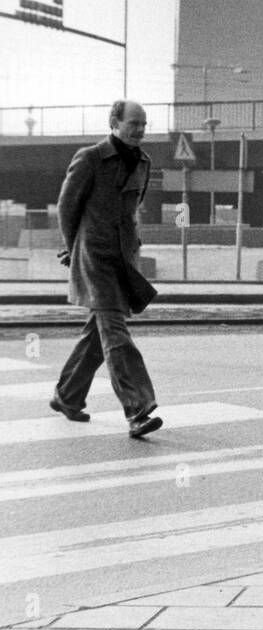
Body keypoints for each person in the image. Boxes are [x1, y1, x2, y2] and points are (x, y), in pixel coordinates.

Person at [50, 99, 163, 438]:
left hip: (122, 260)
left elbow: (131, 212)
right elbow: (66, 208)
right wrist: (75, 249)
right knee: (115, 332)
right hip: (94, 257)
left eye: (144, 124)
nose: (140, 130)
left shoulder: (143, 162)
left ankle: (67, 395)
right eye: (134, 123)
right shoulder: (89, 158)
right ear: (114, 122)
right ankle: (138, 409)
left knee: (98, 335)